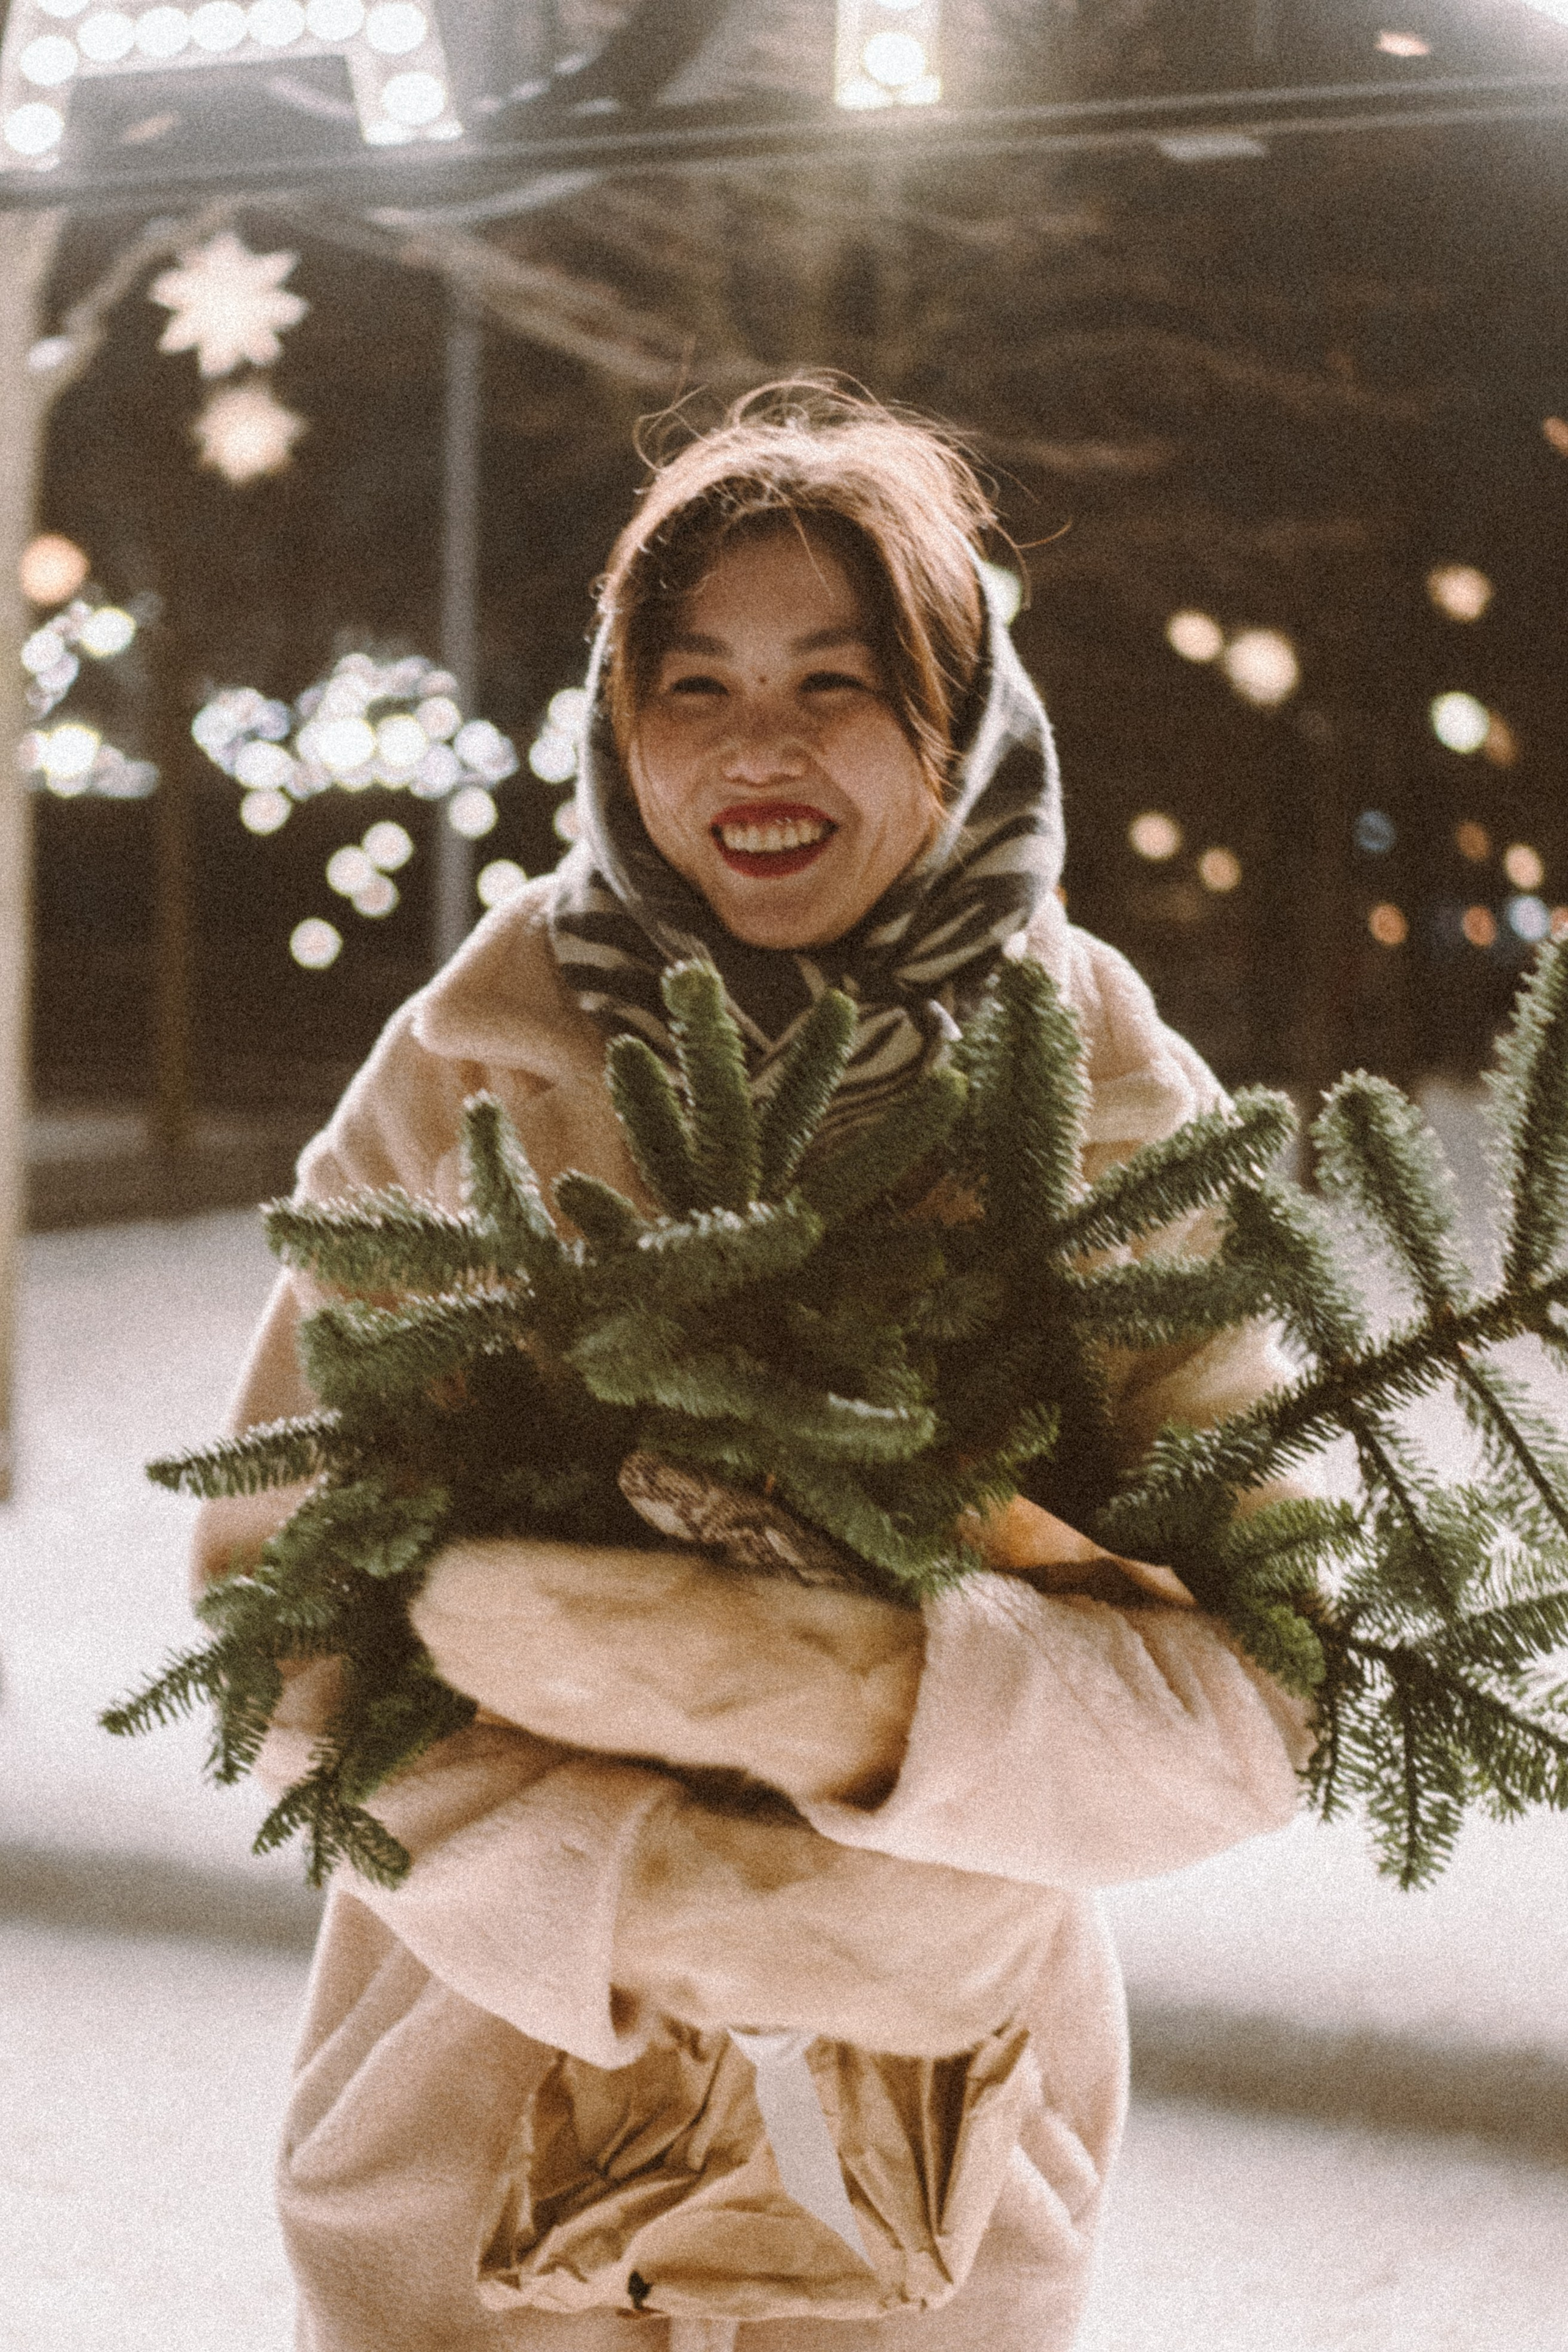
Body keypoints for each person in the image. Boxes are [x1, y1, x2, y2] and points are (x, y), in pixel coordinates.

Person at [196, 382, 1313, 2352]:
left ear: (956, 723)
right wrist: (655, 1896)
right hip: (470, 2171)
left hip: (924, 2192)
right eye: (691, 685)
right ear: (622, 727)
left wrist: (861, 1704)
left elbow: (1270, 1677)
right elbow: (279, 1609)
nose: (756, 745)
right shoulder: (479, 1067)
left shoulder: (1104, 1099)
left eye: (836, 680)